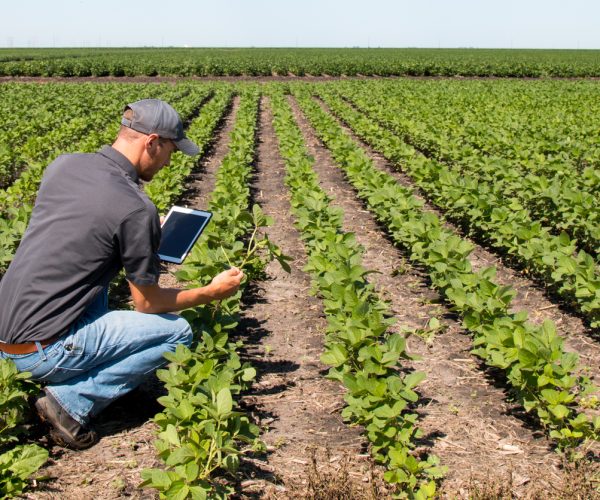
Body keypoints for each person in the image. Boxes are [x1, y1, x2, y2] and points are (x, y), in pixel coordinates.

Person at [0, 99, 244, 450]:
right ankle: (70, 403)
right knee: (177, 333)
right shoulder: (134, 208)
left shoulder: (64, 165)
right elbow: (147, 304)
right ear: (152, 142)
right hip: (40, 351)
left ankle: (98, 380)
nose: (169, 162)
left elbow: (86, 230)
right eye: (171, 151)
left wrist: (143, 235)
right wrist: (211, 291)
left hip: (6, 333)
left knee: (96, 278)